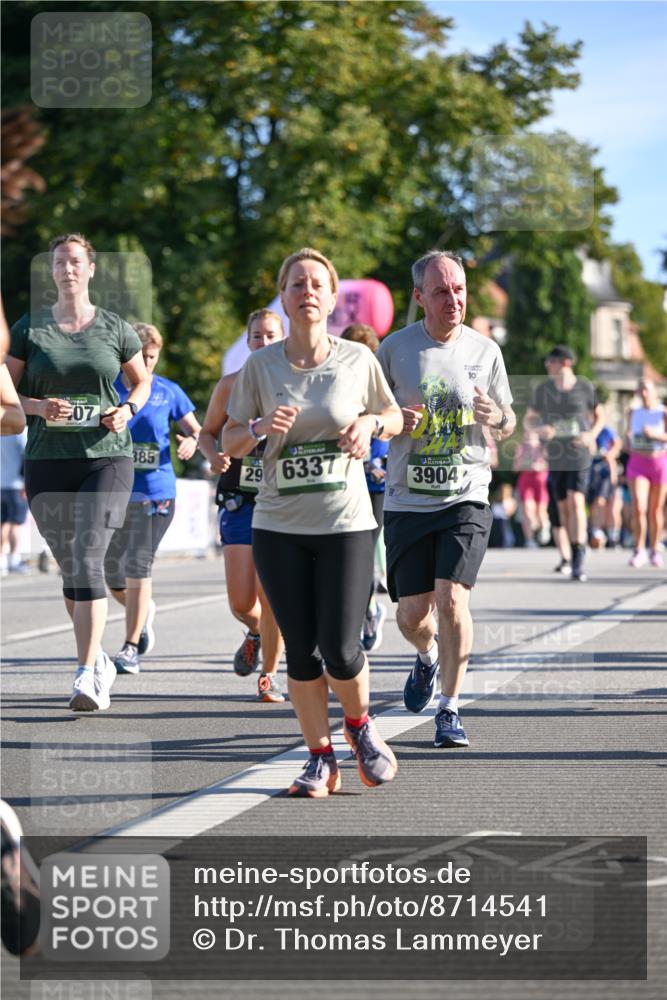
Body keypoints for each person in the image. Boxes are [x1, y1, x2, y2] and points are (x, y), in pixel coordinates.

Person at [223, 248, 403, 796]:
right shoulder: (260, 366)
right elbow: (228, 439)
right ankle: (320, 757)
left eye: (317, 283)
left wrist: (371, 422)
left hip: (345, 523)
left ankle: (360, 727)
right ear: (283, 295)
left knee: (342, 647)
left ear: (330, 297)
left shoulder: (356, 360)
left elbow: (393, 415)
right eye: (296, 283)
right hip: (279, 525)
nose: (307, 291)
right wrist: (255, 427)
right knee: (301, 649)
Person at [377, 249, 515, 750]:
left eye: (458, 289)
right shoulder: (393, 350)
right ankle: (427, 655)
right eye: (441, 291)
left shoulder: (486, 350)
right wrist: (395, 420)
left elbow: (508, 420)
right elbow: (371, 414)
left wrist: (495, 416)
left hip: (466, 492)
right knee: (413, 615)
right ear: (419, 297)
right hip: (408, 499)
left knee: (453, 598)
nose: (453, 299)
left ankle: (450, 708)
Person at [6, 232, 149, 712]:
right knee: (72, 567)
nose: (67, 268)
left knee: (88, 556)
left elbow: (141, 382)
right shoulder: (30, 329)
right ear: (51, 272)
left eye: (75, 261)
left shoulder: (114, 327)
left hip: (107, 455)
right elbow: (6, 391)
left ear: (90, 270)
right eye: (59, 262)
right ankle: (100, 657)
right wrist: (39, 407)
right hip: (48, 459)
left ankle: (87, 673)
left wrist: (128, 409)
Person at [199, 309, 286, 702]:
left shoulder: (294, 386)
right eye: (256, 337)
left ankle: (269, 674)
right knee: (241, 601)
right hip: (238, 500)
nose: (263, 343)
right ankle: (254, 632)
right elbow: (207, 433)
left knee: (271, 594)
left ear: (283, 339)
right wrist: (213, 456)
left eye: (271, 336)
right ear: (247, 341)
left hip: (281, 500)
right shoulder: (230, 386)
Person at [104, 323, 201, 673]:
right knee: (111, 574)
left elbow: (196, 430)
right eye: (140, 357)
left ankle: (130, 648)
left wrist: (191, 441)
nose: (146, 364)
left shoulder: (167, 391)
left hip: (157, 492)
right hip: (115, 492)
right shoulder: (108, 388)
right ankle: (141, 609)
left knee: (137, 565)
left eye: (152, 358)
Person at [525, 345, 605, 583]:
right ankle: (570, 551)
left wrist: (591, 434)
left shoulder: (584, 387)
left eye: (551, 362)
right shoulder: (544, 390)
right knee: (563, 507)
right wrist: (541, 429)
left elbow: (599, 416)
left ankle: (579, 557)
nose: (547, 366)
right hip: (556, 453)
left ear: (565, 363)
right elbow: (528, 420)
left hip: (579, 451)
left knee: (576, 500)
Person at [340, 322, 388, 652]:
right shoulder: (336, 383)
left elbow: (390, 427)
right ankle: (360, 612)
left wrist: (378, 462)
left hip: (375, 486)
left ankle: (367, 613)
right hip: (342, 483)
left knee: (364, 554)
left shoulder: (380, 386)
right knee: (344, 555)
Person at [625, 378, 667, 568]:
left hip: (658, 461)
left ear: (654, 392)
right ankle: (639, 549)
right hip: (638, 462)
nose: (643, 393)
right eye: (640, 389)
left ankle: (654, 549)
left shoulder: (662, 412)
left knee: (655, 509)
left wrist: (655, 435)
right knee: (639, 507)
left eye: (647, 389)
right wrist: (628, 440)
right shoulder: (633, 412)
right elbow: (627, 436)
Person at [513, 429, 550, 547]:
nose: (529, 439)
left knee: (540, 510)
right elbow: (515, 468)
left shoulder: (542, 448)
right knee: (527, 509)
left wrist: (539, 466)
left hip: (541, 480)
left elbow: (549, 464)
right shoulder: (521, 448)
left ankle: (545, 525)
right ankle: (529, 539)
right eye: (527, 436)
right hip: (526, 480)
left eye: (532, 437)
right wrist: (526, 464)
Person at [587, 423, 621, 549]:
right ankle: (596, 533)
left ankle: (613, 536)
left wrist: (610, 455)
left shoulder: (606, 429)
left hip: (606, 472)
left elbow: (617, 444)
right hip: (590, 473)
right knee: (595, 505)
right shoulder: (585, 427)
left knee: (609, 505)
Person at [1, 429, 30, 575]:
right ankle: (13, 559)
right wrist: (27, 482)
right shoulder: (18, 431)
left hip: (2, 484)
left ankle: (2, 561)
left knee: (3, 522)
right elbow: (27, 455)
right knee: (16, 523)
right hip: (16, 485)